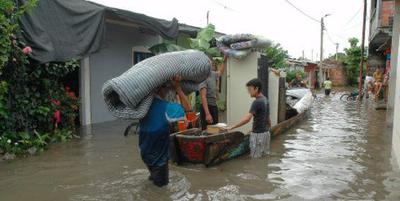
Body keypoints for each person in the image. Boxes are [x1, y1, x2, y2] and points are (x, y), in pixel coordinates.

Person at [139, 76, 191, 187]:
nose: (168, 90)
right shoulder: (165, 108)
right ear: (160, 89)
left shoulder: (142, 107)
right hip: (159, 159)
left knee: (153, 181)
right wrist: (178, 88)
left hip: (145, 154)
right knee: (162, 191)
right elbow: (188, 108)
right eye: (166, 88)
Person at [227, 78, 271, 158]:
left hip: (258, 135)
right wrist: (266, 129)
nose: (248, 92)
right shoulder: (265, 99)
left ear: (256, 88)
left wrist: (232, 127)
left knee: (255, 160)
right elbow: (267, 117)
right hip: (266, 134)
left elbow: (247, 119)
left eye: (250, 89)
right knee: (264, 157)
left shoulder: (256, 102)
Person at [199, 57, 226, 130]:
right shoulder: (203, 77)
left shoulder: (212, 74)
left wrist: (224, 60)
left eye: (211, 63)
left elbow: (220, 72)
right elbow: (203, 97)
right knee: (208, 131)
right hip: (207, 107)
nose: (211, 65)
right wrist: (207, 114)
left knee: (214, 129)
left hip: (213, 106)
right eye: (209, 63)